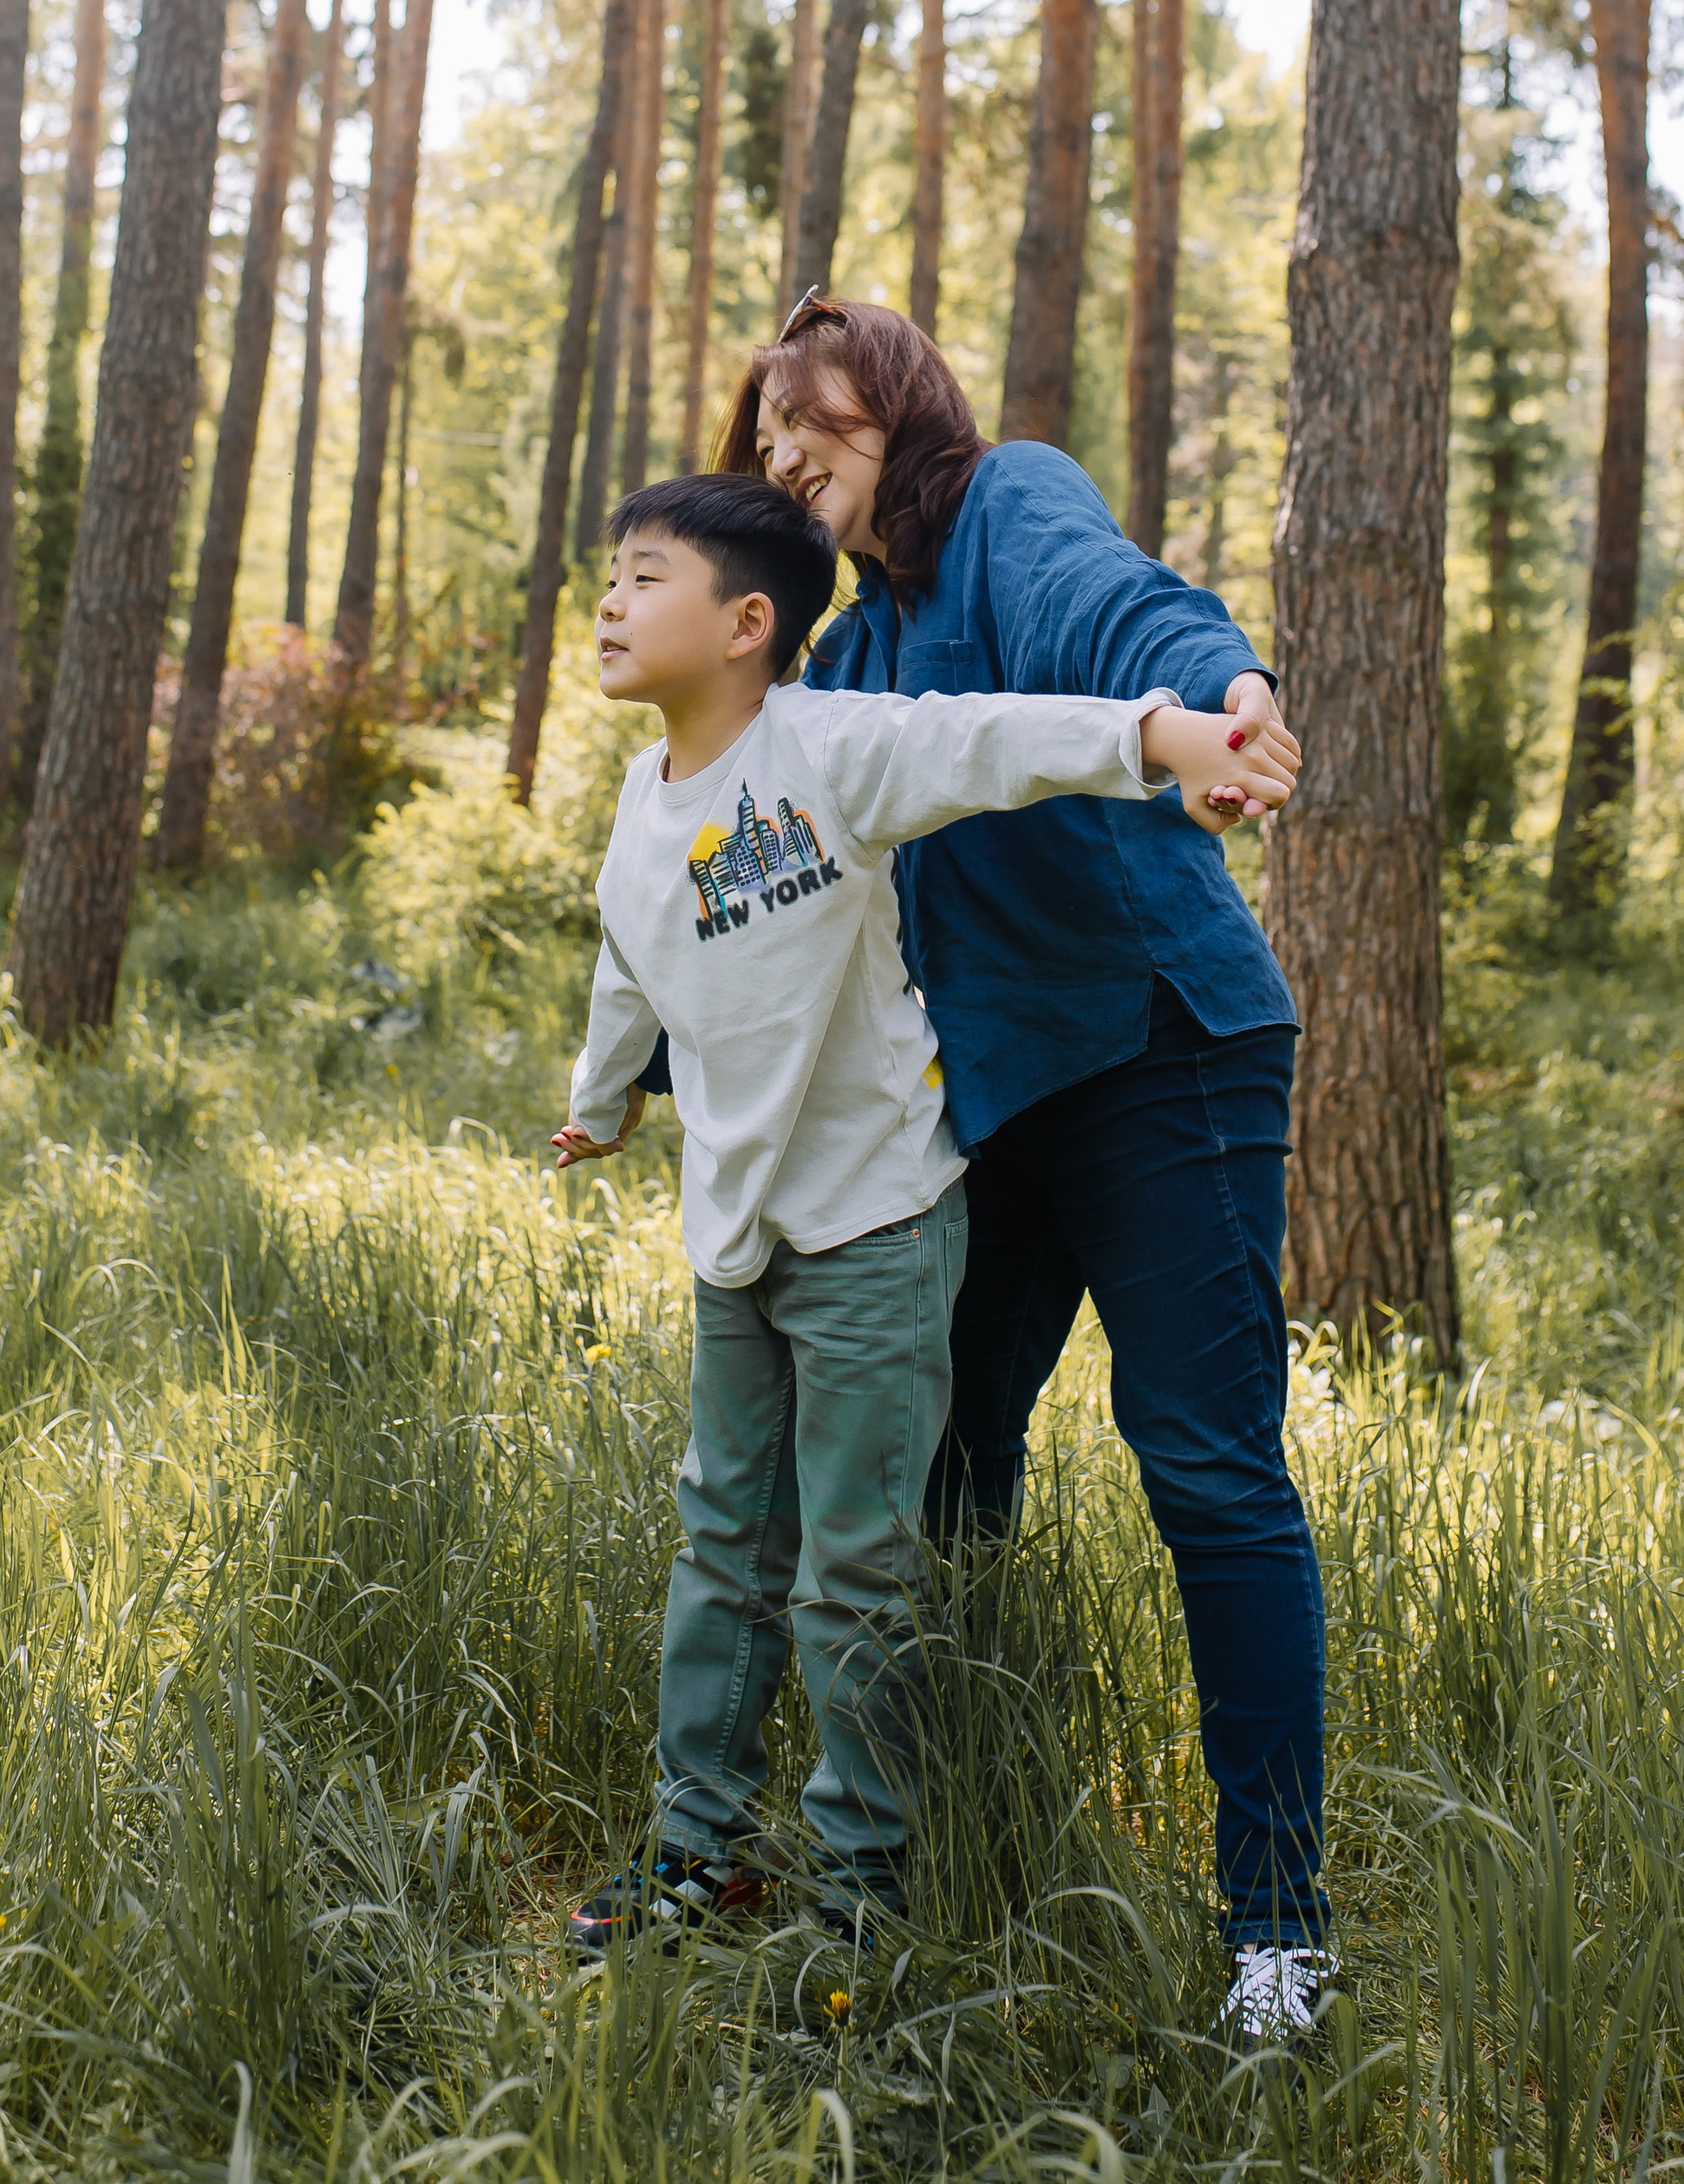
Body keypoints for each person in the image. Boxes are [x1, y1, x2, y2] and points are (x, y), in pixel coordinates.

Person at [551, 469, 1296, 1956]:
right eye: (611, 578)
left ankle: (861, 1885)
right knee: (720, 1548)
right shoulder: (645, 803)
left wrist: (1165, 730)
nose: (612, 604)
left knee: (855, 1570)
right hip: (736, 1238)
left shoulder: (836, 748)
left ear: (751, 623)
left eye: (645, 578)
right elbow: (632, 967)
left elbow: (997, 738)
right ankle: (697, 1846)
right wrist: (605, 1092)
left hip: (878, 1235)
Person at [713, 297, 1332, 2050]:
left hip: (1155, 1054)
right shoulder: (846, 661)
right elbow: (775, 866)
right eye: (760, 444)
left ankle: (1276, 1935)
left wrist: (1220, 700)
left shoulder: (1003, 504)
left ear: (888, 401)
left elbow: (1109, 610)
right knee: (941, 1467)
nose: (781, 458)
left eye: (802, 418)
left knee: (1205, 1471)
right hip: (982, 1111)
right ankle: (923, 1858)